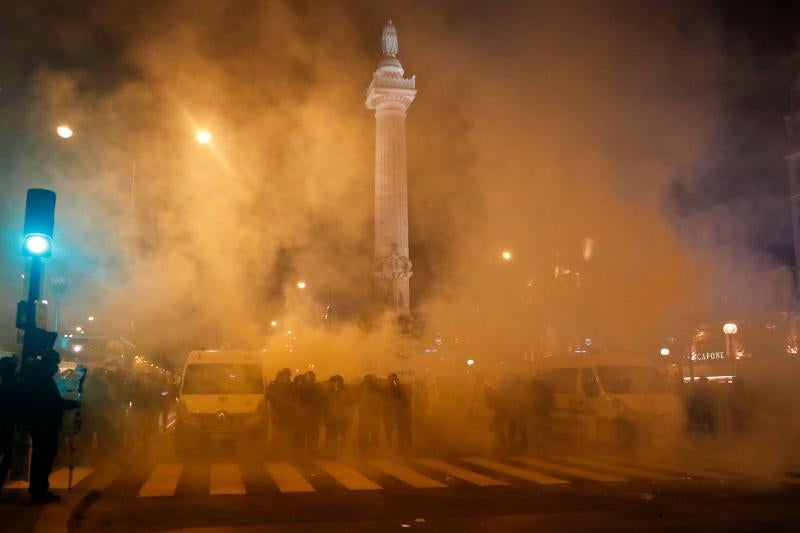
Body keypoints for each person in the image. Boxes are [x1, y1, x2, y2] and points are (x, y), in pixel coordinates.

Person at [22, 351, 80, 504]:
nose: (56, 366)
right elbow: (51, 402)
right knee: (43, 459)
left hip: (43, 424)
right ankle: (39, 492)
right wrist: (72, 404)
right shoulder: (43, 380)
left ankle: (40, 490)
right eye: (54, 362)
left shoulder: (41, 378)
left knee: (41, 458)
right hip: (45, 425)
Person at [0, 356, 19, 486]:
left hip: (6, 421)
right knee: (7, 453)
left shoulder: (6, 382)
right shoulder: (13, 383)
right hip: (7, 422)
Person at [323, 375, 354, 457]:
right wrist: (325, 417)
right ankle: (332, 453)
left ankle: (343, 453)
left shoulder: (346, 392)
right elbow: (324, 405)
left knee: (342, 436)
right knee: (331, 436)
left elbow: (350, 405)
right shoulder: (328, 392)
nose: (336, 383)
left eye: (338, 381)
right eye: (334, 382)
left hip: (342, 418)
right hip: (331, 418)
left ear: (341, 382)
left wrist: (350, 417)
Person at [266, 368, 293, 457]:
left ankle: (285, 451)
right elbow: (268, 396)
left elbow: (294, 397)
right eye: (285, 376)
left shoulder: (290, 386)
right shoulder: (273, 385)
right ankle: (275, 452)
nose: (286, 378)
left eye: (288, 376)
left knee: (287, 434)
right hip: (277, 413)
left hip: (287, 413)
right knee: (277, 433)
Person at [383, 374, 411, 453]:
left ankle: (401, 447)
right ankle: (392, 447)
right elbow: (385, 399)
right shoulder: (388, 388)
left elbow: (402, 397)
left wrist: (395, 384)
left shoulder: (398, 387)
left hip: (398, 412)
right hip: (392, 412)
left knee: (400, 431)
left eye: (393, 379)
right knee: (391, 431)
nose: (391, 381)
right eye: (390, 379)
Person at [357, 375, 383, 454]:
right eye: (367, 380)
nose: (368, 381)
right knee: (365, 429)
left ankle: (370, 447)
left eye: (369, 380)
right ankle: (365, 446)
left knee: (372, 429)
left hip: (371, 411)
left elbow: (379, 399)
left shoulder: (374, 387)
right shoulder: (362, 387)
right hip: (366, 411)